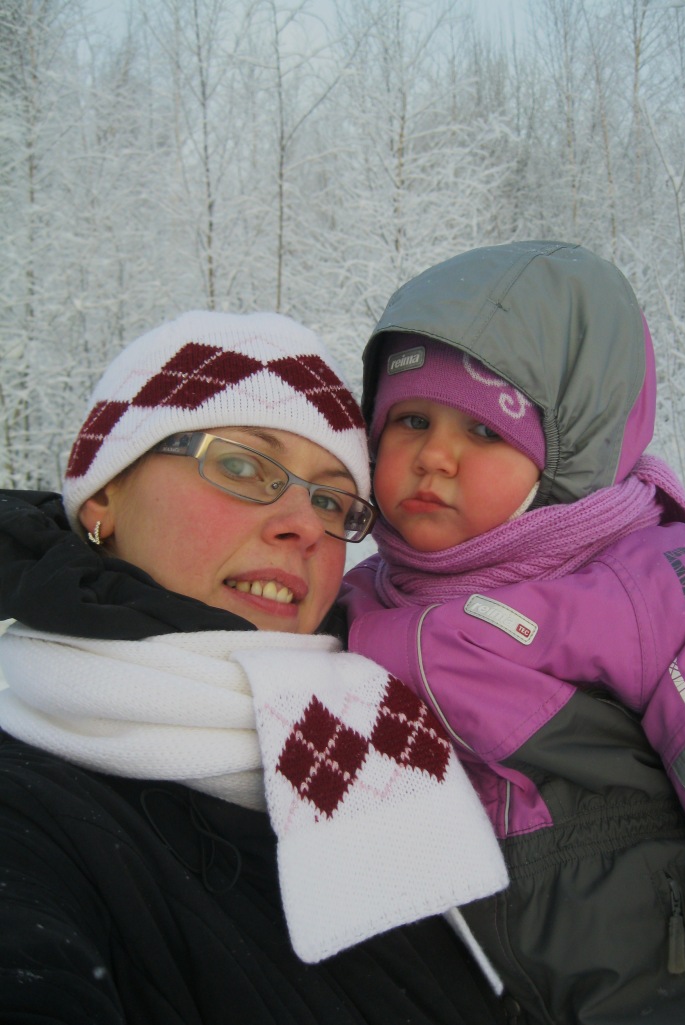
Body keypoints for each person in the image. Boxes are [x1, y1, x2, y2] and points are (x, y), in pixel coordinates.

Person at [0, 310, 512, 1025]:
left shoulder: (389, 719)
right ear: (105, 495)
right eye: (241, 465)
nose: (303, 524)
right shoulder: (26, 814)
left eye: (330, 499)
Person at [341, 241, 685, 1024]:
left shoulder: (668, 583)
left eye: (483, 430)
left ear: (569, 449)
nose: (433, 456)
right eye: (411, 419)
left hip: (660, 988)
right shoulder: (350, 606)